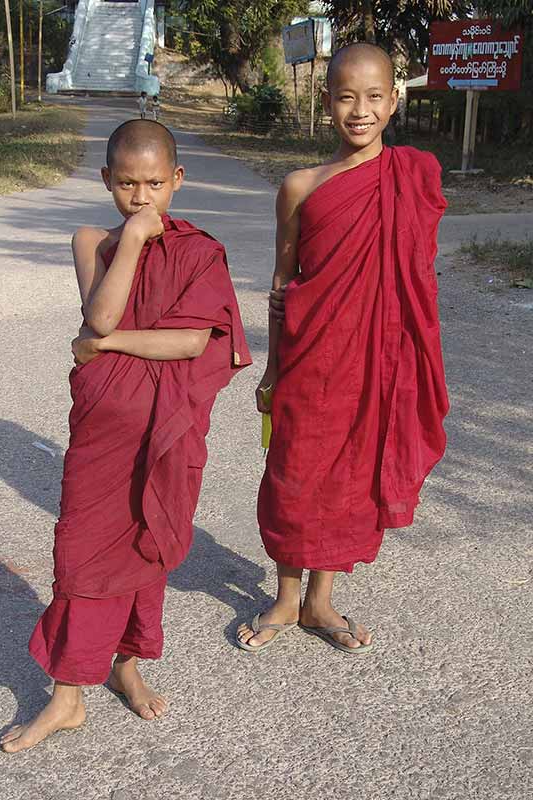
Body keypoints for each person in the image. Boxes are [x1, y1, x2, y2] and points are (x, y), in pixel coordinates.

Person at [0, 119, 251, 752]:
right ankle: (67, 696)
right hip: (105, 429)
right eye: (129, 185)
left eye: (155, 185)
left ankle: (126, 665)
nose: (142, 198)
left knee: (146, 540)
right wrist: (136, 239)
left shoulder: (201, 251)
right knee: (80, 553)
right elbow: (102, 311)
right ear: (106, 180)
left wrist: (106, 346)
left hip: (164, 431)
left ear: (178, 180)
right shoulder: (92, 240)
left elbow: (191, 341)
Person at [237, 43, 448, 654]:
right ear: (326, 99)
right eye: (346, 96)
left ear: (394, 101)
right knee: (293, 470)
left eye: (374, 97)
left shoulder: (411, 177)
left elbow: (414, 275)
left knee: (351, 474)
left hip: (373, 361)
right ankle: (284, 595)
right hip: (310, 357)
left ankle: (320, 599)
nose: (360, 110)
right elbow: (282, 286)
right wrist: (273, 367)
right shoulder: (301, 186)